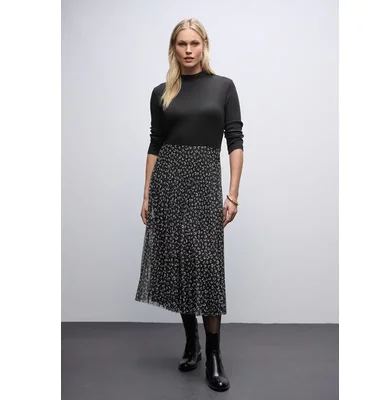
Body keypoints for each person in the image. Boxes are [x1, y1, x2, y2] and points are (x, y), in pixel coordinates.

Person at [135, 17, 244, 392]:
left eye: (194, 43)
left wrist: (233, 194)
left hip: (204, 182)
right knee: (180, 263)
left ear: (204, 45)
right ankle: (191, 342)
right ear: (174, 48)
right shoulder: (161, 92)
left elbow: (235, 141)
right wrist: (147, 193)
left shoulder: (223, 87)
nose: (188, 50)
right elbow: (155, 143)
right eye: (181, 44)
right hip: (169, 182)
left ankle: (213, 354)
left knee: (207, 266)